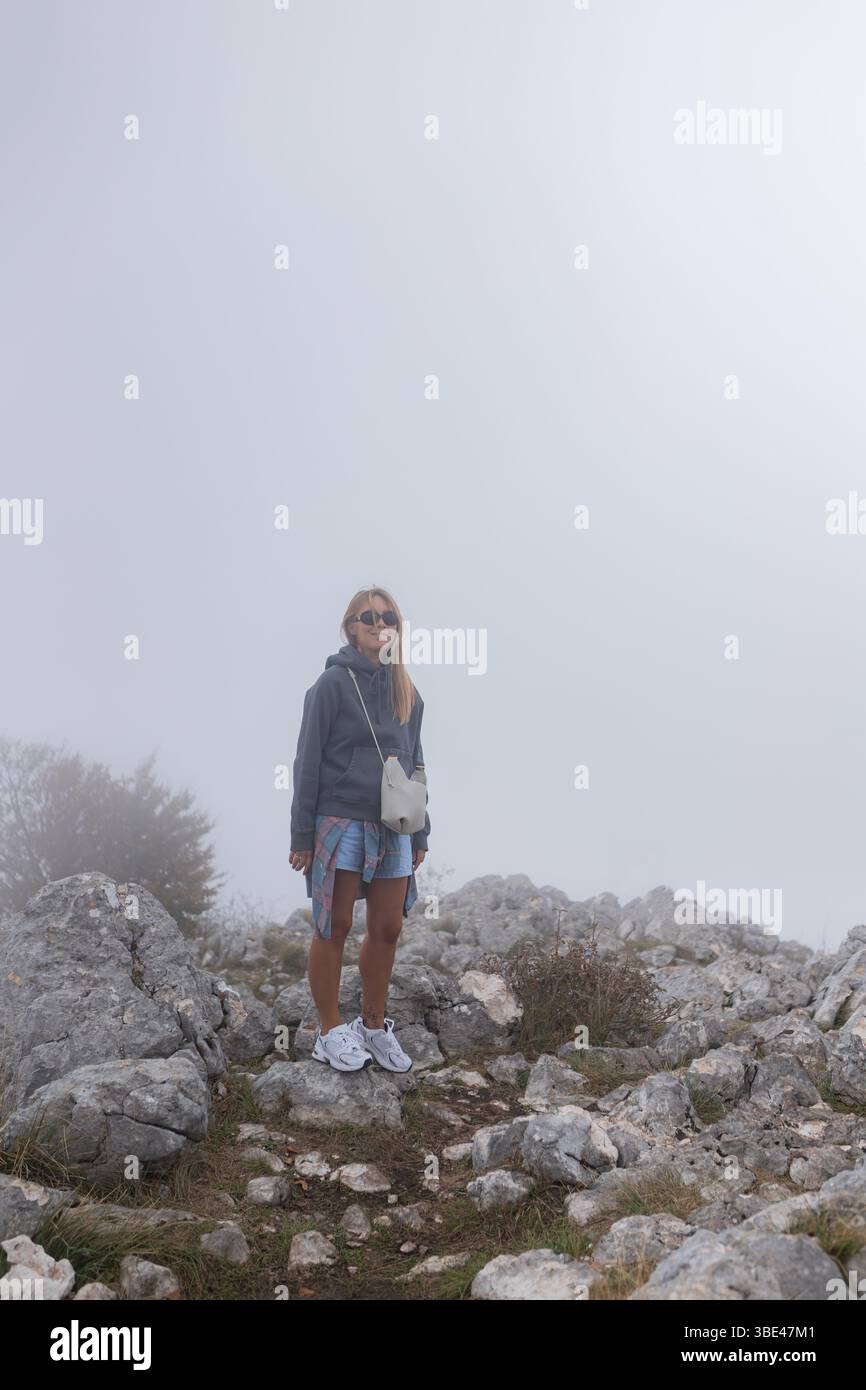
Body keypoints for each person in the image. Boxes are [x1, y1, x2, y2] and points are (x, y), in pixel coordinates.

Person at [288, 587, 430, 1073]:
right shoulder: (331, 684)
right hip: (340, 817)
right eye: (368, 617)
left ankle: (371, 1026)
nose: (379, 624)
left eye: (388, 618)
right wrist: (301, 834)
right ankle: (329, 1032)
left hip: (395, 824)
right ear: (351, 626)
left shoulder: (407, 692)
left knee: (388, 927)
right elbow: (307, 761)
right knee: (335, 925)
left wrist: (422, 832)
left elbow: (415, 765)